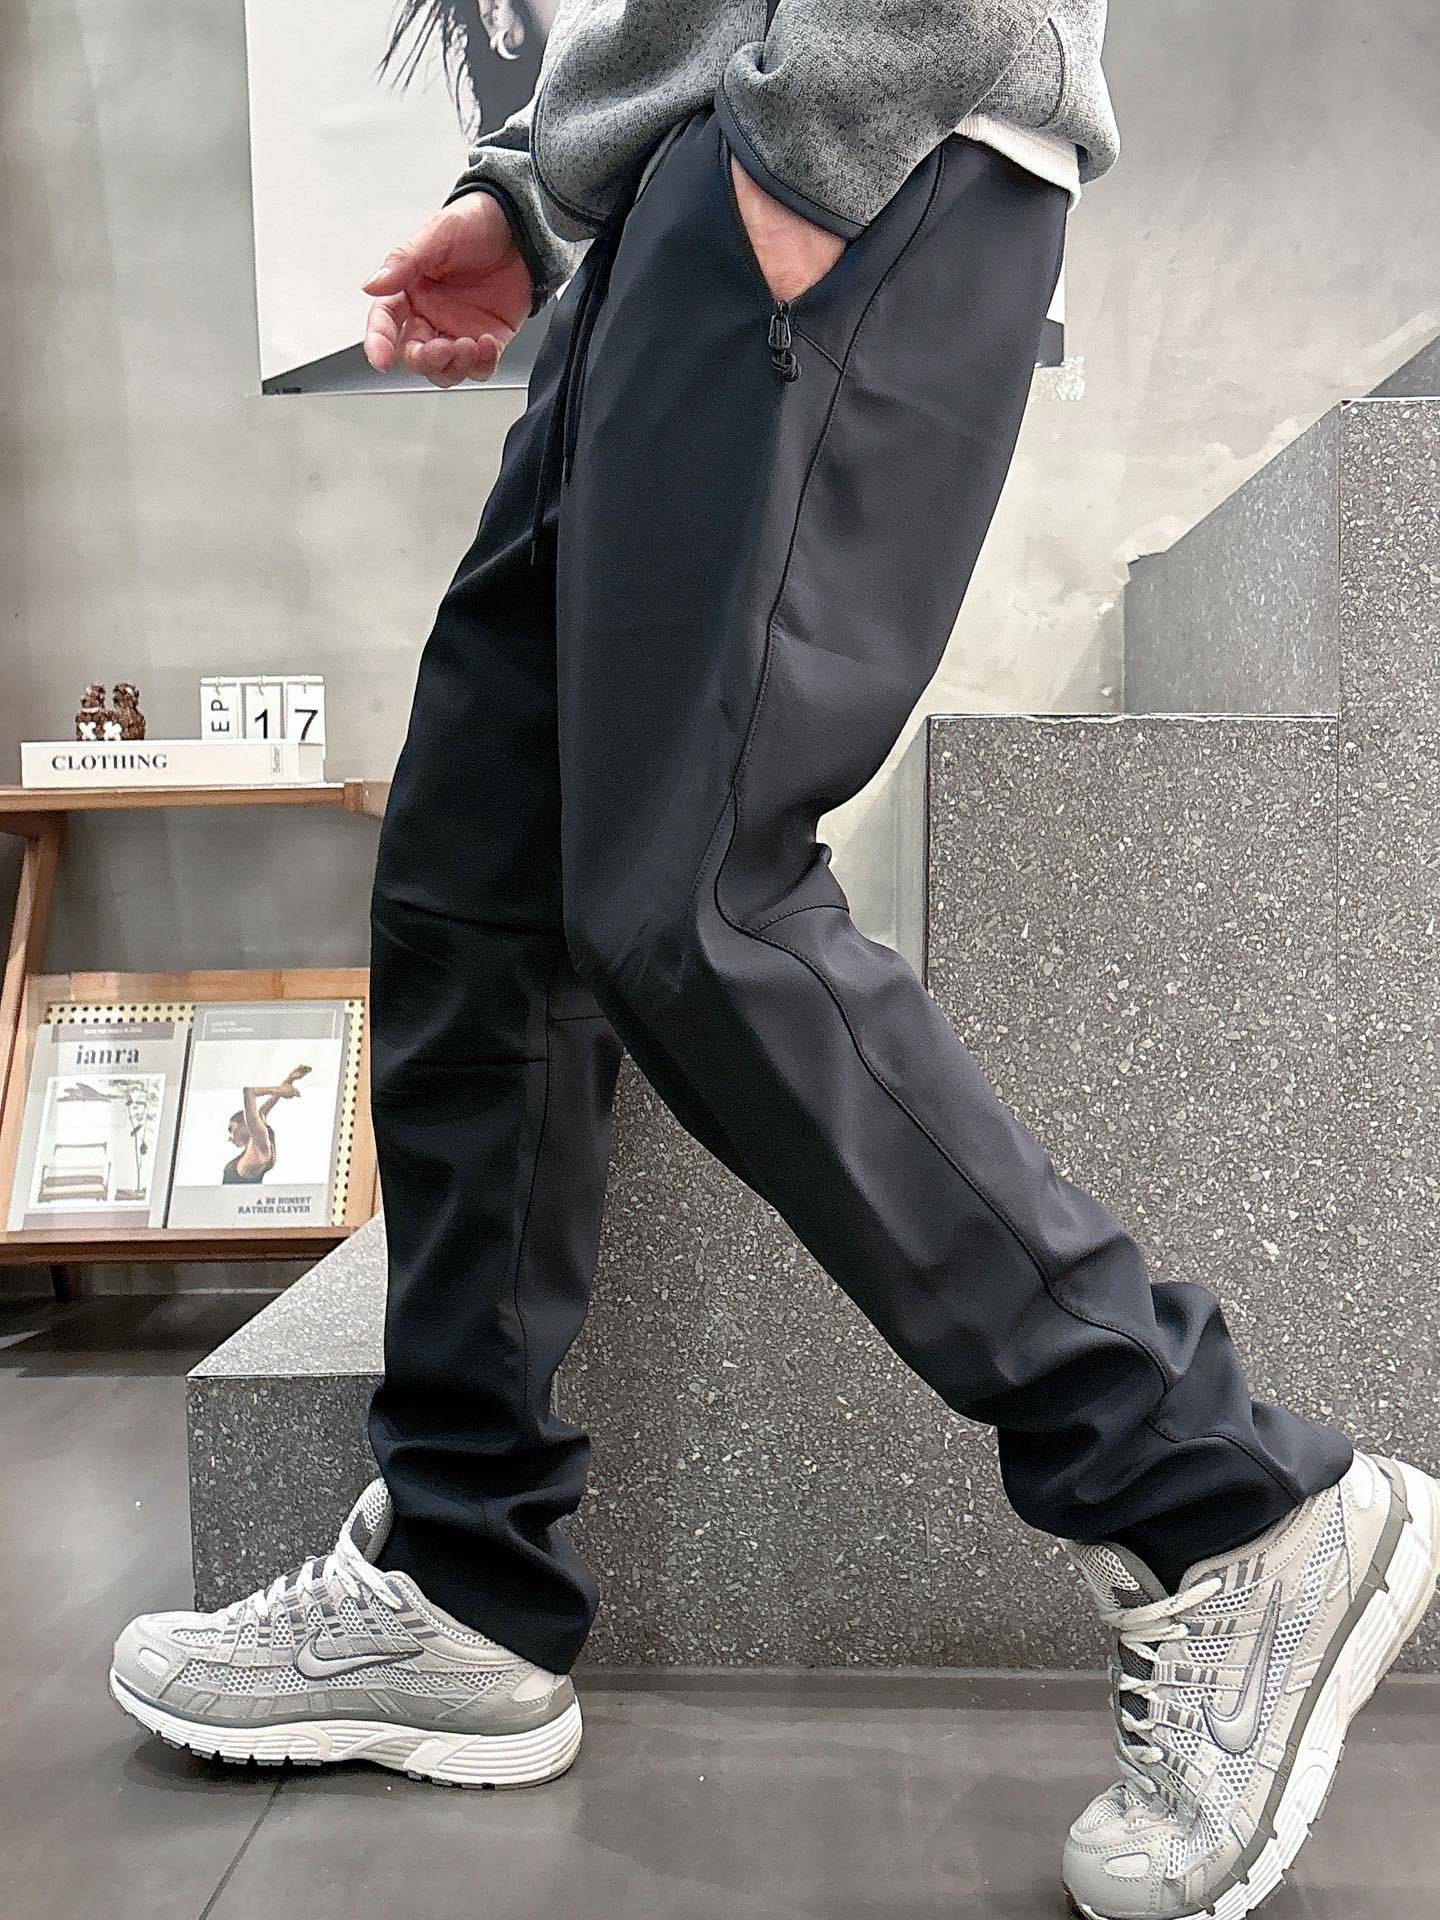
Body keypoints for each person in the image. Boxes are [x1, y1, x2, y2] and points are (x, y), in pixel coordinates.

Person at [112, 7, 1439, 1915]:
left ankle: (1220, 1500)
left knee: (694, 906)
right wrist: (545, 186)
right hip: (693, 187)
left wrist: (834, 103)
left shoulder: (831, 126)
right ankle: (464, 1578)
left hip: (849, 127)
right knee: (475, 887)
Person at [220, 1064, 311, 1186]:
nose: (230, 1137)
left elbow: (249, 1091)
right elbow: (262, 1112)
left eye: (231, 1129)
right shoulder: (257, 1144)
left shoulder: (258, 1148)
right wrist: (289, 1080)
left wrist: (280, 1090)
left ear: (246, 1124)